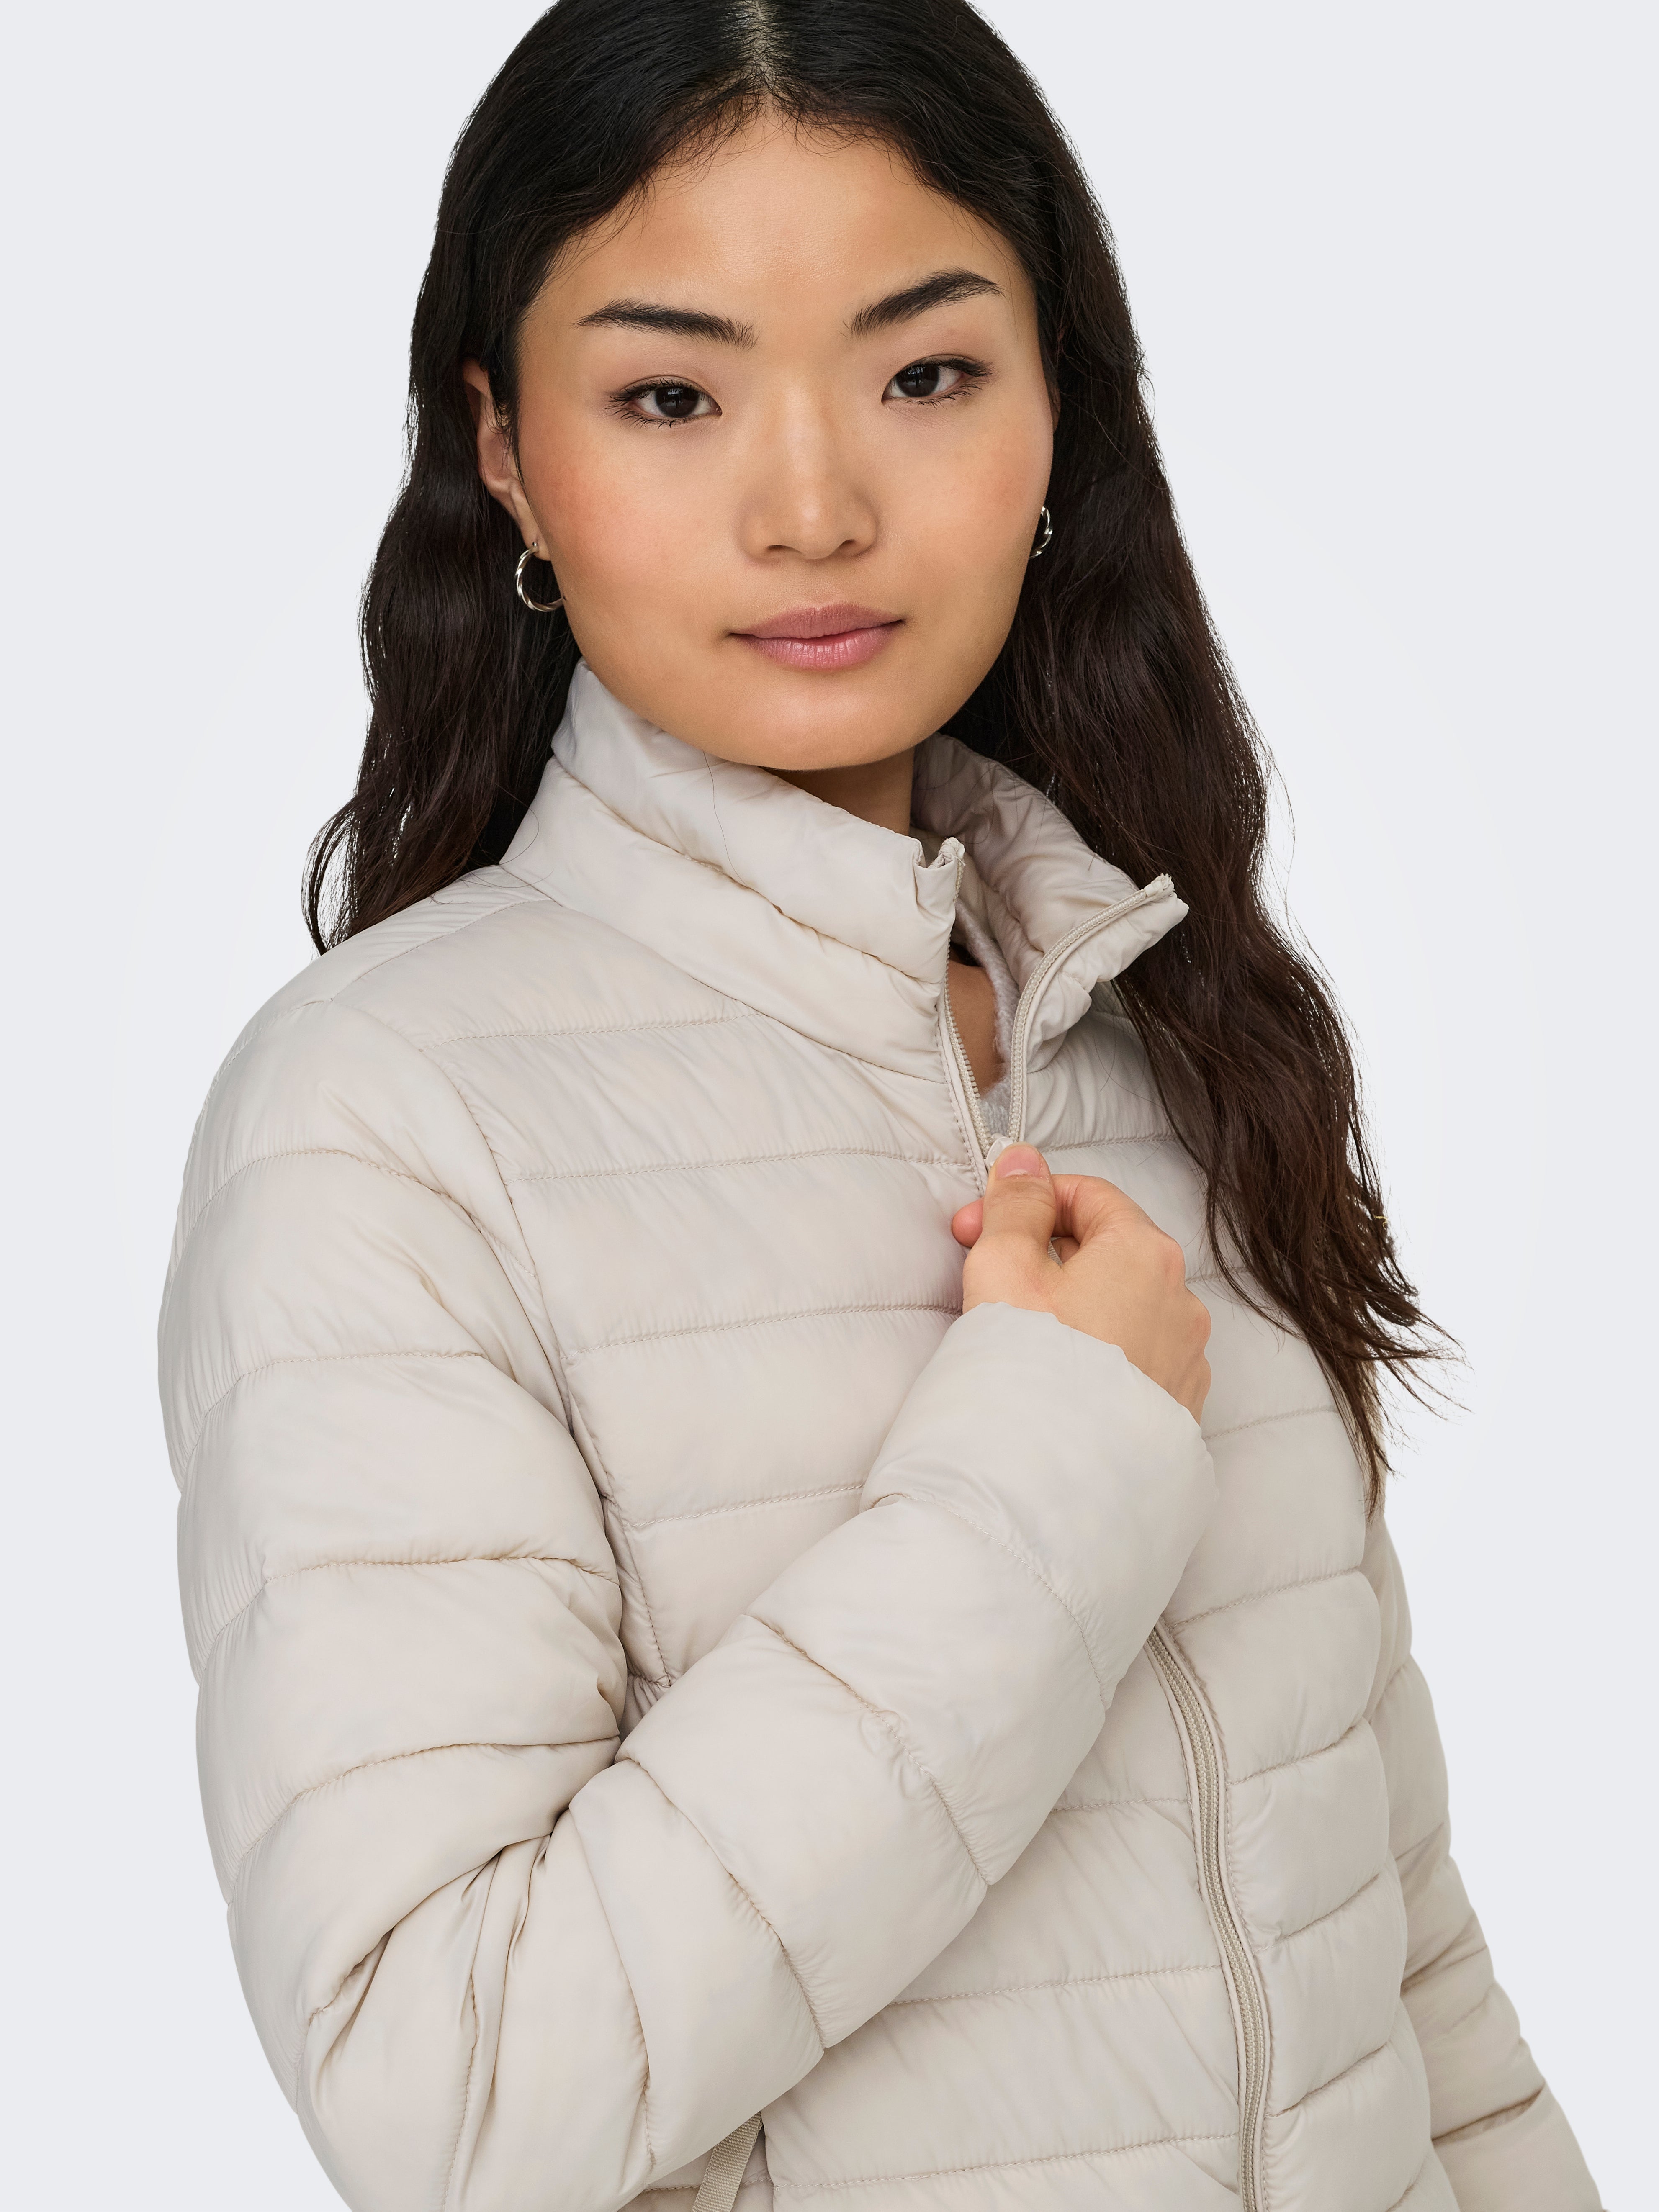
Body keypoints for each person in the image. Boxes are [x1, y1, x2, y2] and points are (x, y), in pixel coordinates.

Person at [157, 4, 1600, 2208]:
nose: (816, 507)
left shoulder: (1170, 1026)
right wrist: (1044, 1477)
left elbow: (1402, 1957)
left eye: (926, 374)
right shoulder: (381, 1124)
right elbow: (457, 2098)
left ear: (1058, 412)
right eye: (671, 396)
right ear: (507, 453)